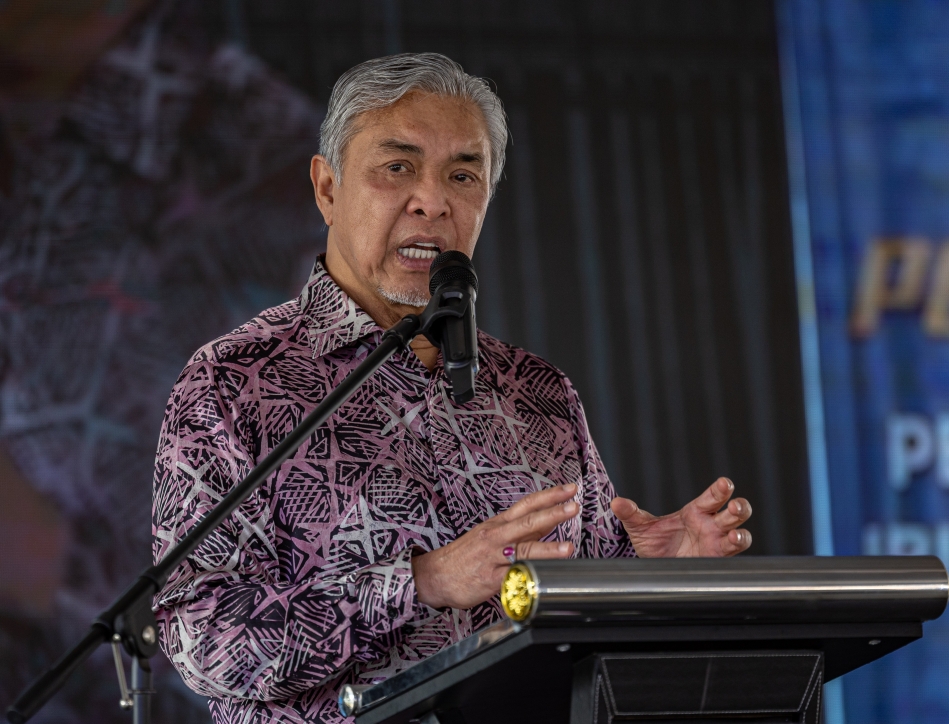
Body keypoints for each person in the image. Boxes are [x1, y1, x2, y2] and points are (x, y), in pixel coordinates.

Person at [152, 52, 753, 723]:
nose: (433, 201)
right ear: (326, 188)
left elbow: (575, 613)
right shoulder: (234, 383)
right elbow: (201, 638)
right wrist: (425, 582)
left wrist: (652, 570)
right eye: (398, 166)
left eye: (463, 174)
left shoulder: (537, 393)